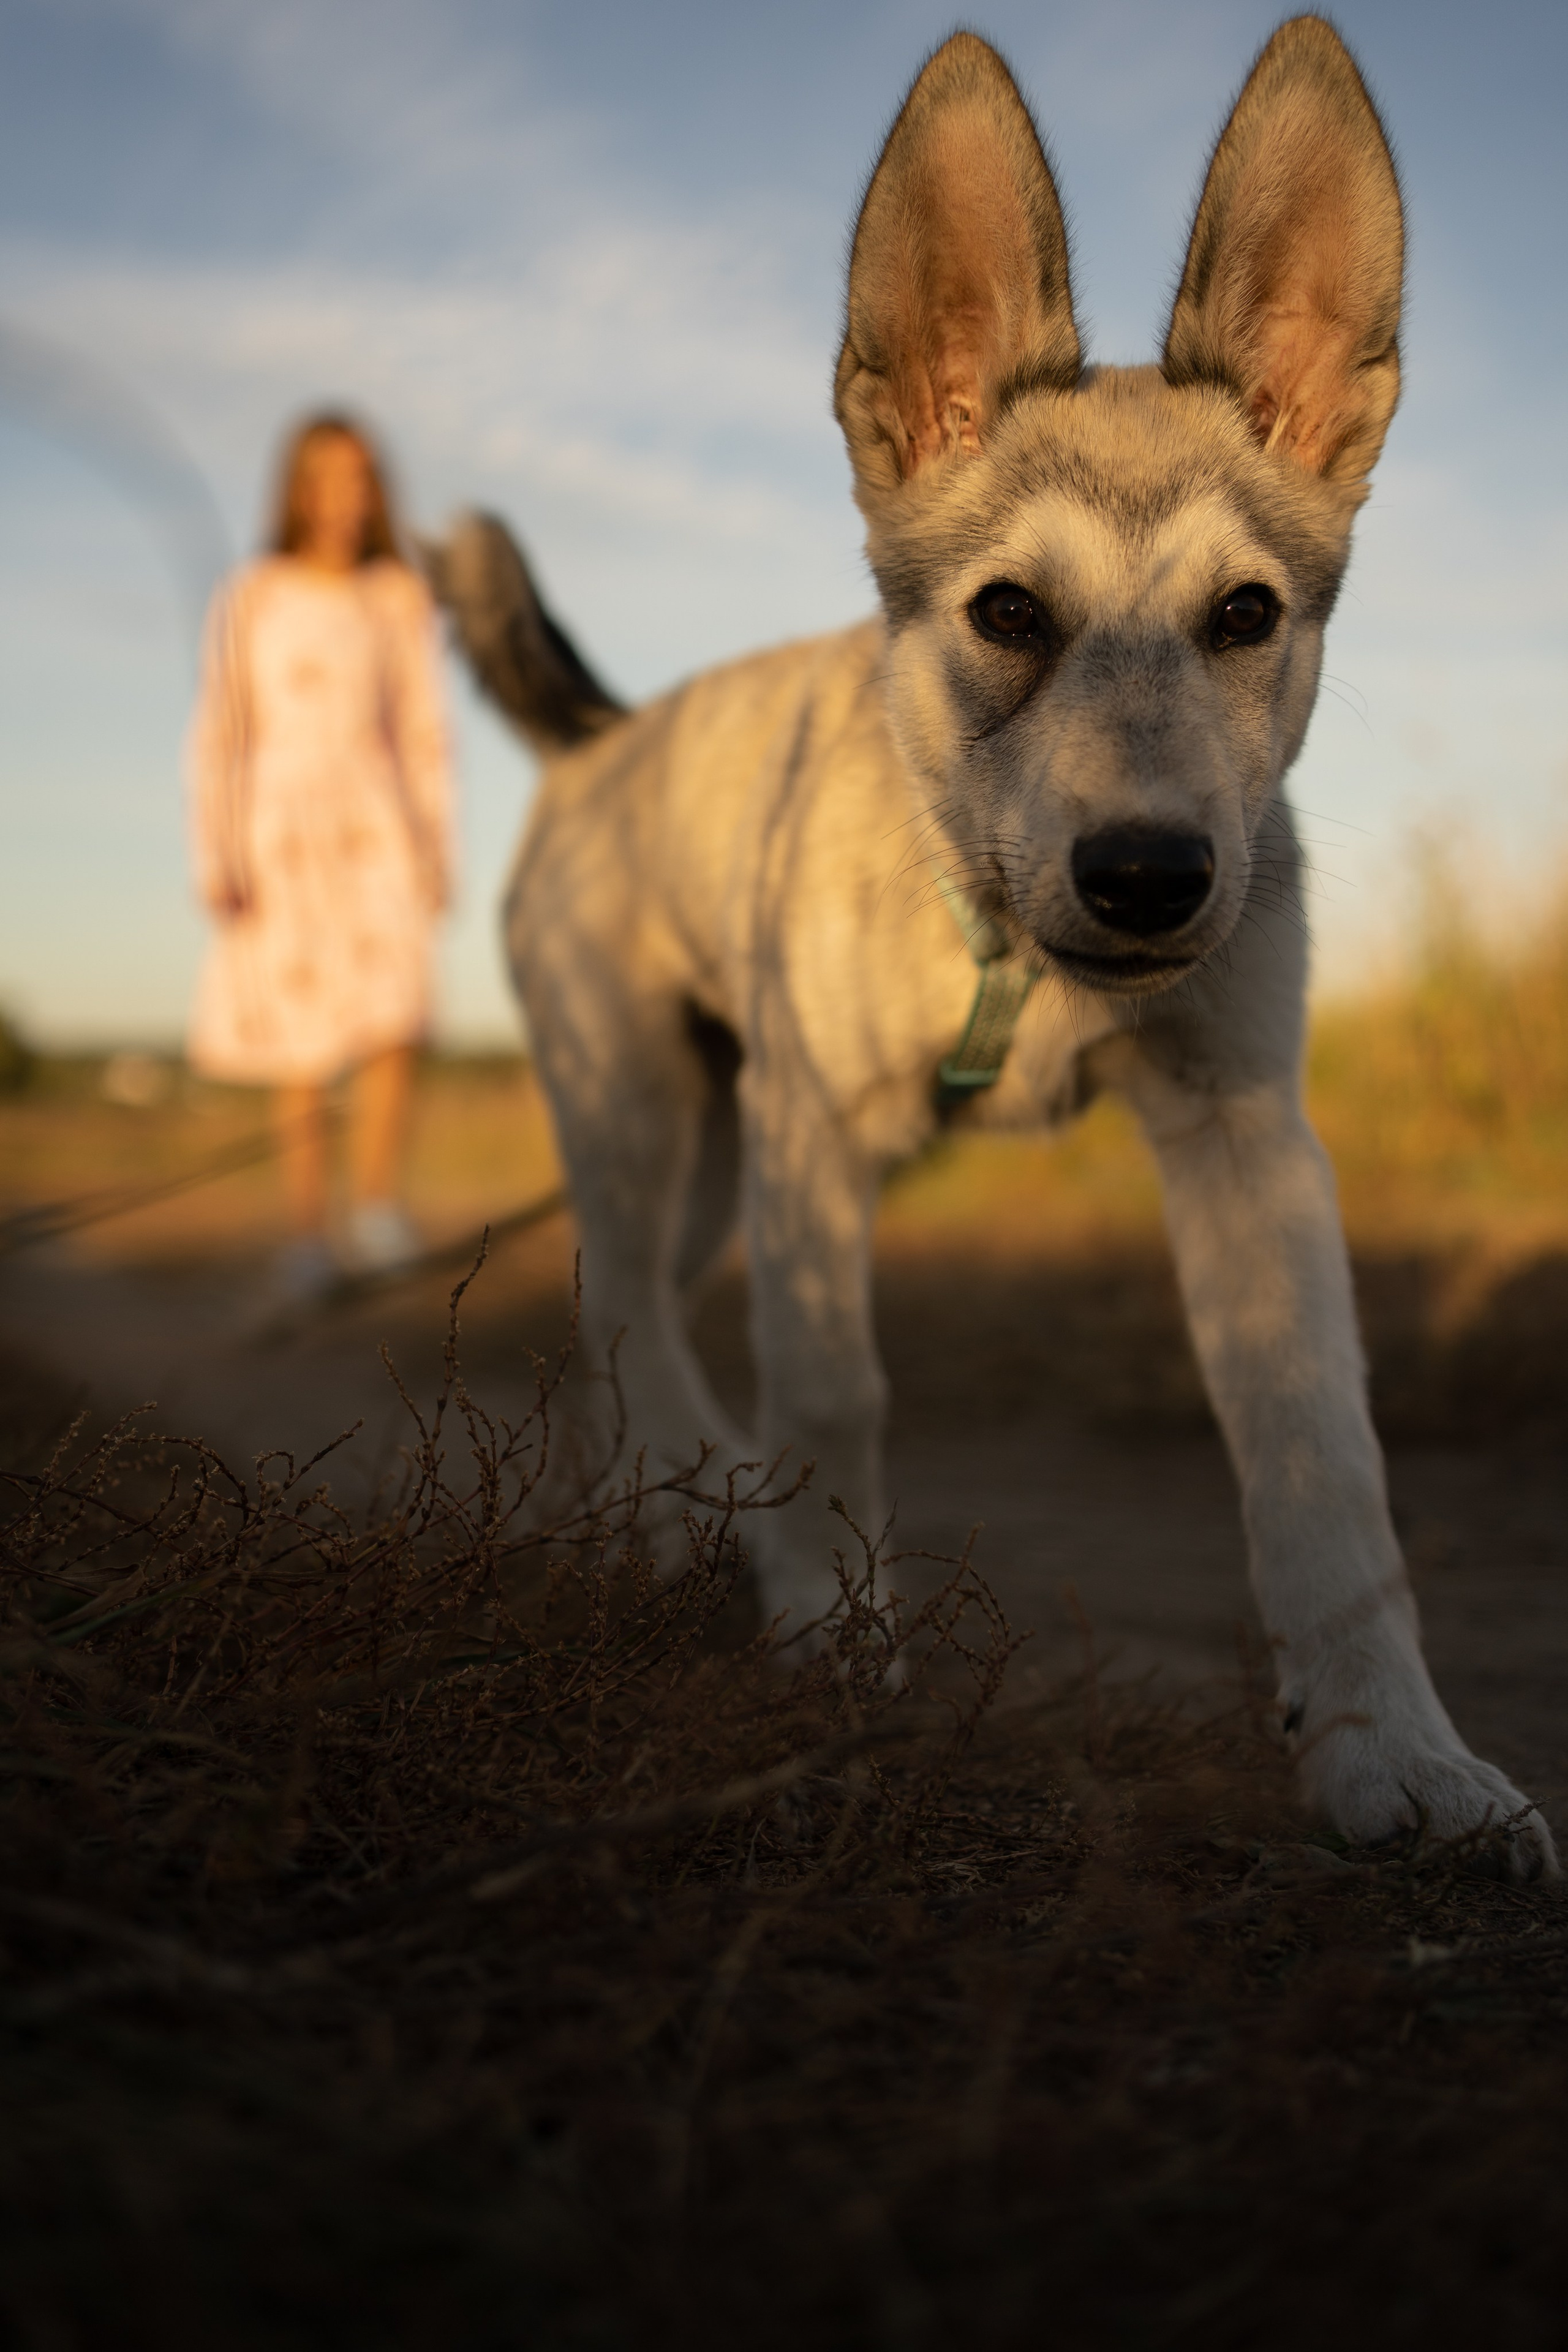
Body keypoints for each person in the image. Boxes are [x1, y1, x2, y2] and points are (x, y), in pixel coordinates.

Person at [185, 412, 454, 1298]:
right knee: (302, 1040)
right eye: (327, 476)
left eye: (360, 477)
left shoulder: (397, 597)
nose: (344, 495)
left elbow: (424, 729)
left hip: (375, 815)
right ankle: (308, 1238)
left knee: (392, 1017)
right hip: (280, 827)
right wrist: (215, 850)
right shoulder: (251, 592)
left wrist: (434, 845)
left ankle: (375, 1214)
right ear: (297, 488)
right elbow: (221, 727)